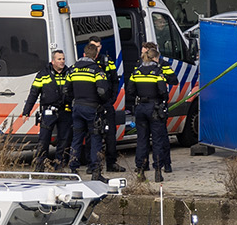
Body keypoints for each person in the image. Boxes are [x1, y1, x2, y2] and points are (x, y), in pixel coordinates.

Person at [124, 43, 174, 183]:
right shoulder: (157, 71)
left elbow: (130, 90)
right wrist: (161, 101)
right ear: (155, 58)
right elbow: (163, 91)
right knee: (157, 140)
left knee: (141, 140)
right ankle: (158, 171)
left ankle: (140, 171)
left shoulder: (137, 71)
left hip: (140, 108)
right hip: (154, 108)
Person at [20, 49, 71, 171]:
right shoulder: (43, 74)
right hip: (48, 111)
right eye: (59, 59)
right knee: (44, 139)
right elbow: (33, 93)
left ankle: (59, 165)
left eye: (63, 59)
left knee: (63, 140)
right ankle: (40, 165)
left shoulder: (69, 73)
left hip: (65, 111)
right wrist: (26, 112)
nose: (62, 61)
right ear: (53, 61)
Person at [65, 41, 110, 177]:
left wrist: (75, 99)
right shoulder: (97, 70)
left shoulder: (72, 69)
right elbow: (102, 91)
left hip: (77, 107)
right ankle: (95, 170)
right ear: (95, 55)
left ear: (83, 54)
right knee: (96, 139)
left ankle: (73, 168)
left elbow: (66, 90)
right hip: (92, 108)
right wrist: (102, 102)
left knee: (77, 138)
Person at [98, 45, 126, 173]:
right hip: (94, 105)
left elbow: (115, 80)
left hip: (107, 103)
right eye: (94, 46)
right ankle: (94, 165)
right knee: (93, 135)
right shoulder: (85, 64)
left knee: (110, 135)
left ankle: (111, 163)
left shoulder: (108, 61)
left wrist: (113, 98)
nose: (97, 49)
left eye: (99, 46)